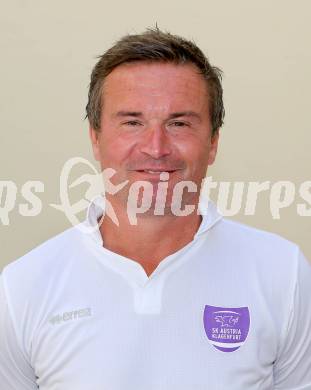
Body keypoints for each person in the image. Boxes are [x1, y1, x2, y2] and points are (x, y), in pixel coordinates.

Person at [0, 27, 310, 390]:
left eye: (179, 123)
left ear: (213, 143)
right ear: (96, 139)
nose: (156, 147)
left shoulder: (284, 274)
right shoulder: (22, 287)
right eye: (132, 122)